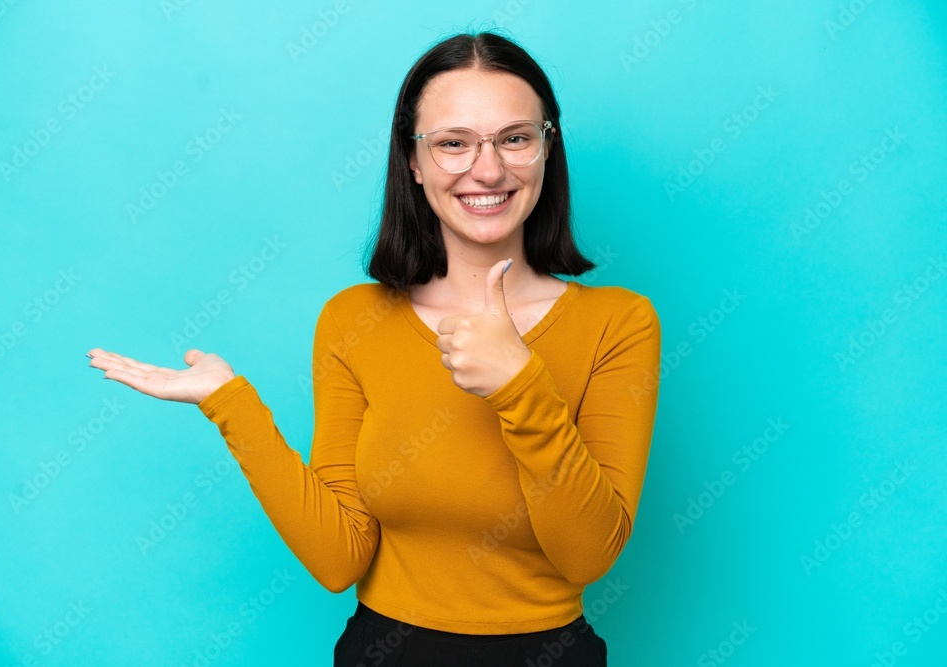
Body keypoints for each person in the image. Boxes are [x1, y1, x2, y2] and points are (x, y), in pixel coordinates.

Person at [87, 30, 661, 667]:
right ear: (413, 162)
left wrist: (520, 385)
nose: (489, 169)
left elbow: (588, 556)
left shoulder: (619, 324)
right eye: (452, 144)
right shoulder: (353, 321)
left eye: (515, 138)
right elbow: (339, 560)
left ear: (547, 149)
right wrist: (230, 404)